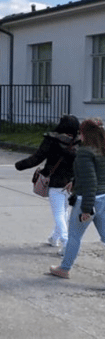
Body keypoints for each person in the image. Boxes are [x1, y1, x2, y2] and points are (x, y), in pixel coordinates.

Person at [49, 118, 105, 279]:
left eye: (80, 131)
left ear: (85, 133)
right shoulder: (102, 149)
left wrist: (86, 209)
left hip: (87, 200)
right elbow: (96, 175)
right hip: (103, 198)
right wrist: (75, 182)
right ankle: (64, 268)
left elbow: (91, 181)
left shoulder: (84, 152)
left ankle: (64, 269)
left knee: (74, 236)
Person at [15, 115, 79, 250]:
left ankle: (66, 242)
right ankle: (54, 238)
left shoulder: (52, 139)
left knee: (59, 213)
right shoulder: (80, 142)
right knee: (65, 211)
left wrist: (20, 165)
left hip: (55, 181)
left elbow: (37, 157)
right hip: (73, 182)